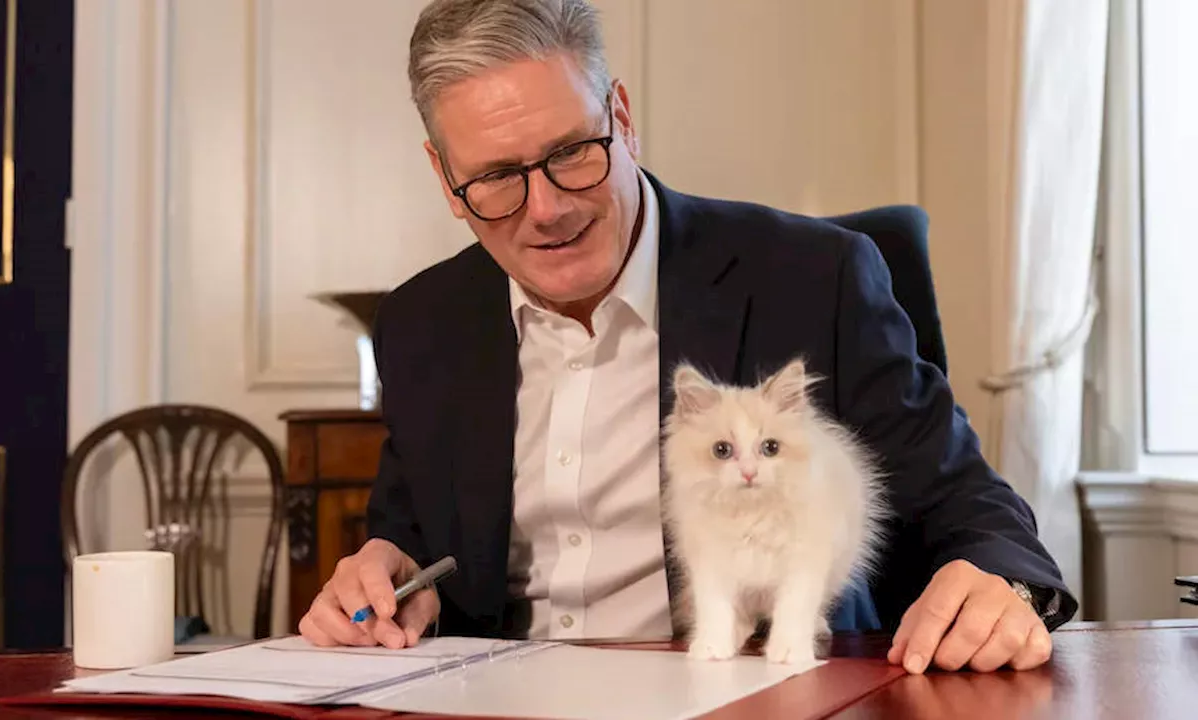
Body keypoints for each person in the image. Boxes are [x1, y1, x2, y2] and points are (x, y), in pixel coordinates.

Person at [298, 0, 1076, 675]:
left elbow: (966, 503)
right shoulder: (420, 323)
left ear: (623, 121)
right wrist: (386, 575)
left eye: (571, 153)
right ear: (445, 180)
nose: (546, 210)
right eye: (497, 177)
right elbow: (409, 539)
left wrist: (996, 580)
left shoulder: (814, 279)